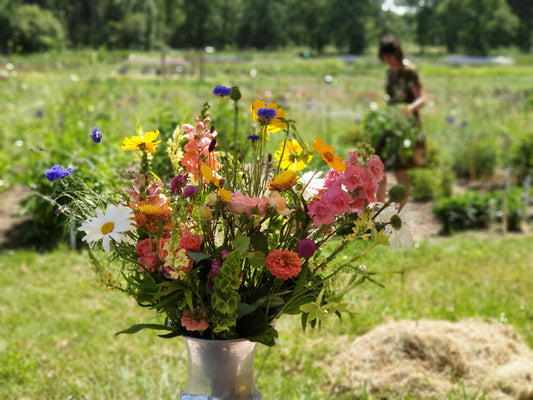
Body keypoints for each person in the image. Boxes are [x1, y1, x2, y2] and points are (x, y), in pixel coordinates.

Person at [376, 35, 426, 210]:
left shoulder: (409, 71)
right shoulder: (390, 72)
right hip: (390, 123)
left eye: (390, 57)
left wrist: (407, 110)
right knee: (377, 165)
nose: (388, 61)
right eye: (385, 58)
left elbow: (421, 99)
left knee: (400, 168)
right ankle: (380, 211)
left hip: (405, 126)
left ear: (397, 54)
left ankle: (401, 212)